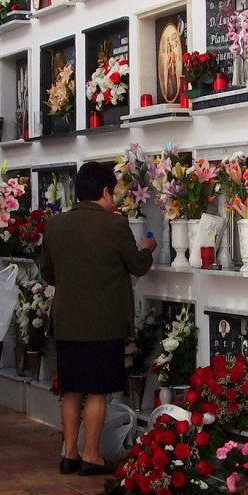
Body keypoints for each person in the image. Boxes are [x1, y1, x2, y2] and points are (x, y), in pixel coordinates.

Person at [40, 161, 156, 476]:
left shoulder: (55, 225)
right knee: (98, 392)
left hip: (66, 322)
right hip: (103, 322)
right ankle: (92, 456)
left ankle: (69, 454)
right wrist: (148, 248)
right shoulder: (114, 225)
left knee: (71, 390)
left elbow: (47, 273)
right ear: (105, 191)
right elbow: (136, 266)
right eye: (114, 192)